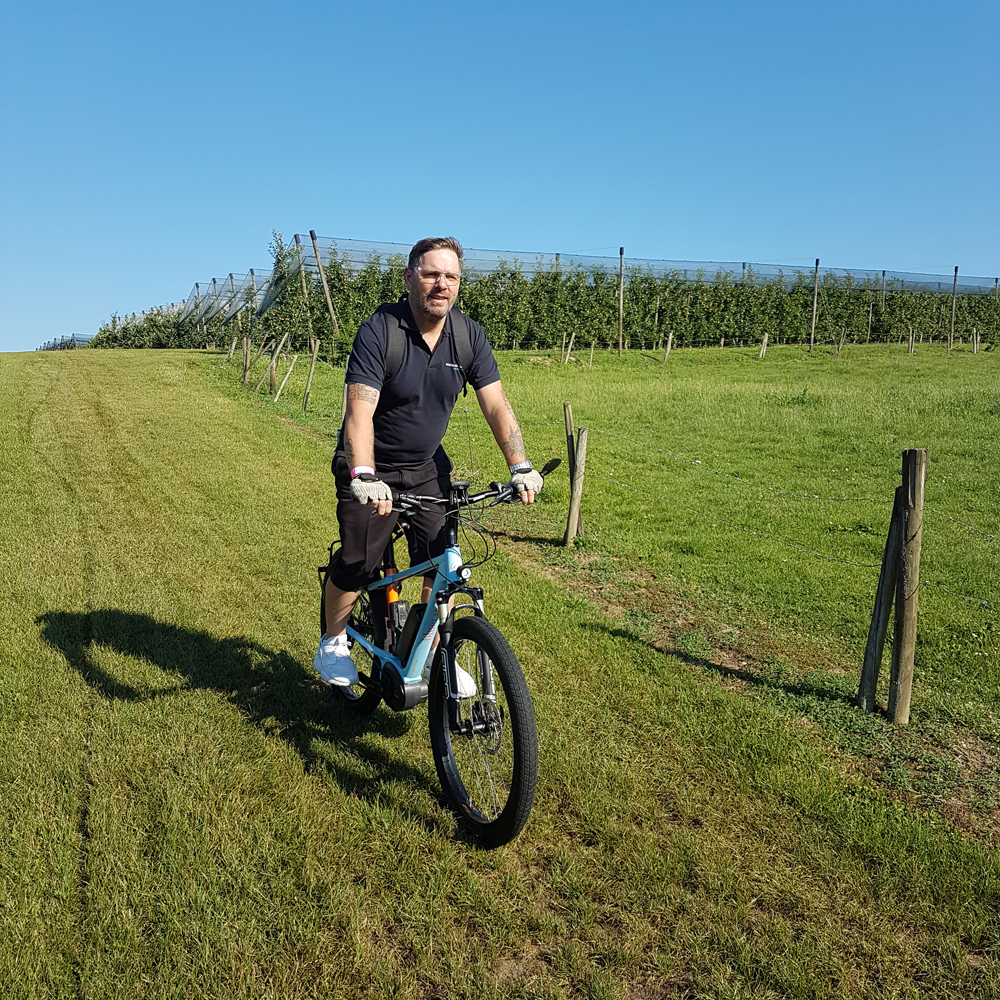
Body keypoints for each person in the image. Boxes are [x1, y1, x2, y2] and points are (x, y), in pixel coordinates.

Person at [313, 237, 544, 692]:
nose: (442, 284)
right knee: (359, 559)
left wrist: (520, 465)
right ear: (409, 278)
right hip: (371, 463)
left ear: (459, 284)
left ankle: (436, 648)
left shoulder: (467, 336)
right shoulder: (381, 330)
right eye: (431, 274)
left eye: (451, 276)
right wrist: (363, 474)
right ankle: (333, 642)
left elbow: (496, 404)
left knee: (442, 561)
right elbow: (359, 410)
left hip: (424, 465)